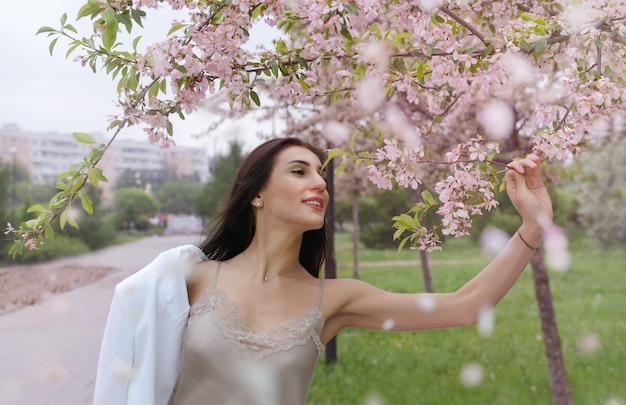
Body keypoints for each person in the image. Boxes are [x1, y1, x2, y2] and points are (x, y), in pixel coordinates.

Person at [93, 137, 552, 405]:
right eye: (299, 171)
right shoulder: (188, 278)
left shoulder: (333, 299)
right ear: (256, 194)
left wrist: (532, 227)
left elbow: (465, 307)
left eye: (321, 175)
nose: (319, 182)